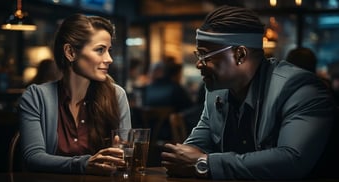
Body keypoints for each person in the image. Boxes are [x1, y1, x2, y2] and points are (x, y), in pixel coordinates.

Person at [161, 5, 335, 180]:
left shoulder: (300, 88)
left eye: (205, 56)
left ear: (240, 55)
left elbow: (292, 160)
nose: (199, 64)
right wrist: (188, 160)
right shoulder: (216, 92)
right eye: (198, 55)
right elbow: (191, 153)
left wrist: (206, 164)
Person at [18, 14, 131, 175]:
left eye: (109, 50)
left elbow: (126, 157)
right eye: (100, 50)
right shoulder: (36, 96)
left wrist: (118, 155)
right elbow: (33, 158)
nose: (109, 59)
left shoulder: (116, 94)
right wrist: (85, 164)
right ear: (70, 52)